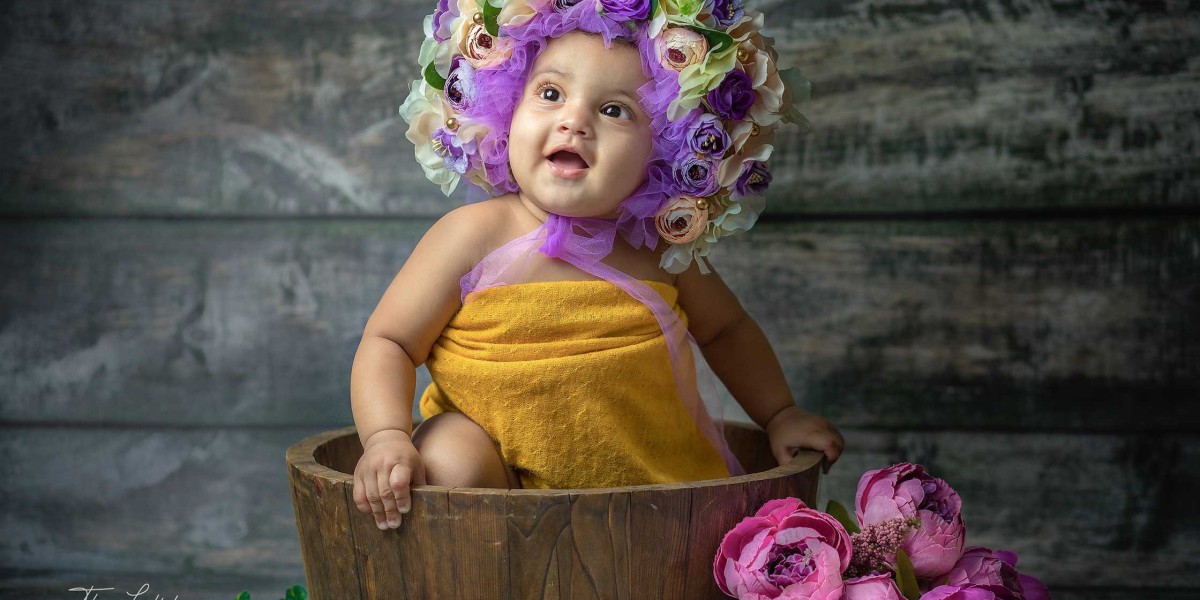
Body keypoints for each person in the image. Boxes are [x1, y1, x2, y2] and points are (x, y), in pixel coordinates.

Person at [350, 0, 844, 532]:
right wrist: (386, 436)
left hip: (637, 497)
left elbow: (726, 330)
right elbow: (392, 342)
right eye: (550, 93)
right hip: (494, 489)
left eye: (614, 110)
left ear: (666, 150)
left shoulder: (659, 250)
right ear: (505, 108)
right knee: (450, 451)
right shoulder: (473, 234)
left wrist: (779, 413)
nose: (575, 120)